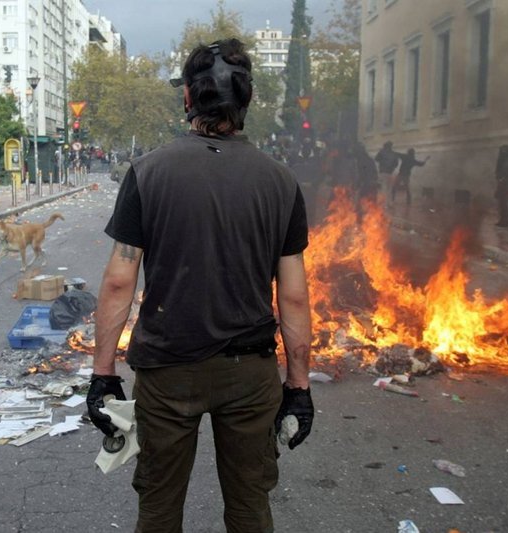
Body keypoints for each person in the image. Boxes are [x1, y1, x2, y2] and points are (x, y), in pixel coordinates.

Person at [87, 38, 314, 532]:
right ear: (247, 102)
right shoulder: (280, 182)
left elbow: (118, 283)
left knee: (159, 510)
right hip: (250, 377)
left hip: (168, 371)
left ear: (188, 98)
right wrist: (298, 386)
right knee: (251, 508)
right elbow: (293, 295)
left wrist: (103, 375)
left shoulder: (147, 172)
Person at [375, 141, 400, 208]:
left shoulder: (381, 152)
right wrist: (392, 167)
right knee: (390, 189)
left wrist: (382, 161)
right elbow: (396, 163)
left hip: (383, 172)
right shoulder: (394, 154)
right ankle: (389, 203)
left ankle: (384, 204)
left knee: (384, 189)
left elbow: (376, 159)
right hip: (390, 173)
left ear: (385, 146)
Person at [494, 144, 508, 227]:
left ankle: (505, 221)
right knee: (502, 204)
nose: (503, 152)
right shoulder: (504, 160)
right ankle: (503, 220)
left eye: (505, 150)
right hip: (504, 184)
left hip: (507, 185)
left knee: (505, 204)